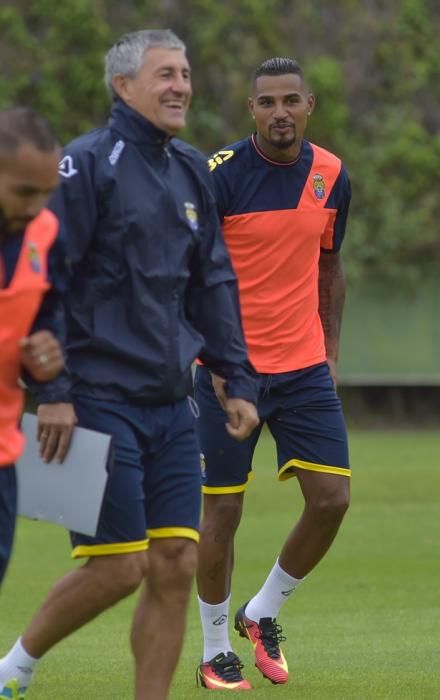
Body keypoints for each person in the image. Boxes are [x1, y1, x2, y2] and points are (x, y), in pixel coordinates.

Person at [0, 30, 259, 700]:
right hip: (94, 396)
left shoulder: (192, 169)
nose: (181, 85)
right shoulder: (85, 165)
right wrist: (51, 389)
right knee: (119, 568)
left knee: (176, 560)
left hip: (173, 402)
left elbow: (213, 281)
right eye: (164, 74)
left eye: (186, 72)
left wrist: (234, 374)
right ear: (124, 86)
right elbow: (45, 282)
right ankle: (14, 669)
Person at [195, 57, 352, 691]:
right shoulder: (218, 177)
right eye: (267, 102)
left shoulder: (333, 174)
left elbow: (330, 267)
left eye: (291, 100)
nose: (280, 112)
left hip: (305, 368)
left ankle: (262, 612)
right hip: (229, 372)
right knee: (223, 511)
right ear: (251, 109)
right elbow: (192, 276)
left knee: (332, 500)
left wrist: (332, 352)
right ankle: (212, 651)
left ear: (309, 104)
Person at [0, 107, 67, 592]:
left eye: (47, 193)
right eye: (24, 192)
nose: (36, 206)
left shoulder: (43, 231)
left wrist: (47, 360)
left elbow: (48, 315)